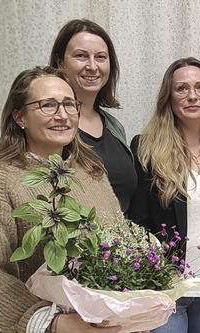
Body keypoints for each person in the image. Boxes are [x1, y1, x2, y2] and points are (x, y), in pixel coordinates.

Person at [0, 67, 122, 333]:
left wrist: (133, 308)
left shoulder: (92, 171)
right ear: (19, 117)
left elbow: (119, 243)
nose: (62, 116)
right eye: (47, 105)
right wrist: (52, 323)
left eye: (69, 105)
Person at [127, 57, 200, 333]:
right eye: (181, 88)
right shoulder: (147, 149)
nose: (192, 96)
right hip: (168, 288)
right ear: (168, 97)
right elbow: (138, 222)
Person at [49, 19, 137, 214]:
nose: (92, 66)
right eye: (81, 56)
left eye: (100, 57)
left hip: (118, 241)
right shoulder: (50, 124)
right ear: (60, 61)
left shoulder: (114, 126)